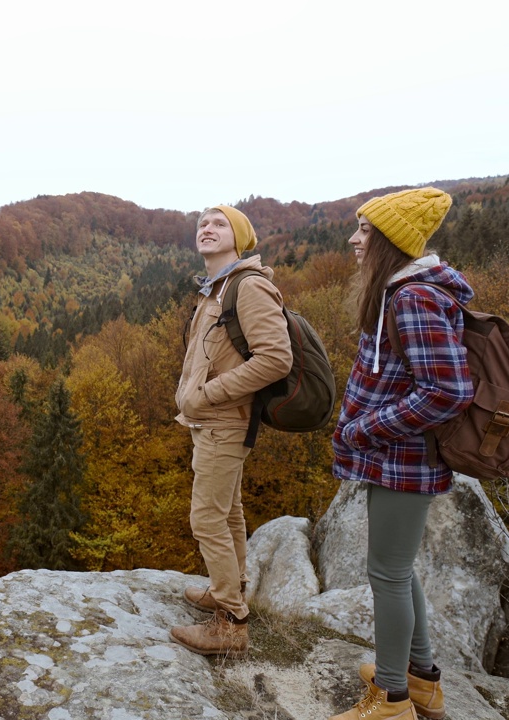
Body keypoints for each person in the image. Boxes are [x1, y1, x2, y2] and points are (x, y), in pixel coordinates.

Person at [328, 187, 471, 720]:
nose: (354, 239)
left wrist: (364, 429)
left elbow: (448, 391)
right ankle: (421, 678)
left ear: (391, 240)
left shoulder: (413, 297)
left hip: (402, 457)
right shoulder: (403, 291)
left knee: (386, 573)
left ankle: (389, 697)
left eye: (365, 230)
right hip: (397, 455)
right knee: (397, 568)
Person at [170, 205, 291, 657]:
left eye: (219, 223)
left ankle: (230, 623)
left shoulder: (250, 287)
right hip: (211, 420)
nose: (207, 228)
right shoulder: (215, 289)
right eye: (203, 223)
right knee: (230, 511)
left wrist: (210, 394)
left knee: (205, 517)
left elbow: (276, 358)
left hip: (224, 419)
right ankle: (232, 591)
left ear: (239, 238)